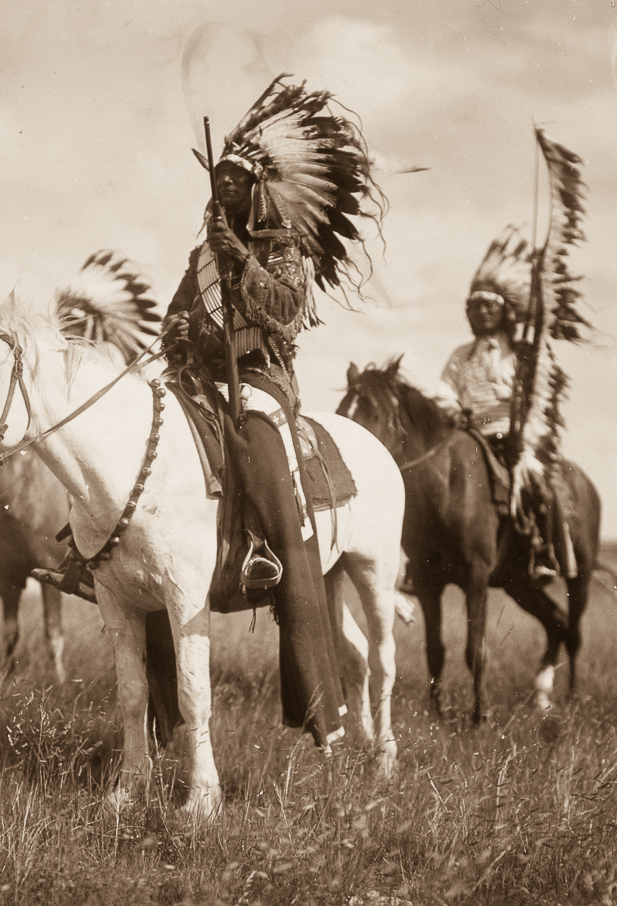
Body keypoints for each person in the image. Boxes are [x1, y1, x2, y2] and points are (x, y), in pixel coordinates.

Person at [163, 75, 386, 749]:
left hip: (261, 381)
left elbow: (287, 314)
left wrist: (245, 266)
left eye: (234, 181)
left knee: (259, 448)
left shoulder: (279, 245)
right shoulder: (202, 253)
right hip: (201, 382)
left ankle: (272, 554)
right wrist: (176, 349)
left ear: (256, 188)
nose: (222, 189)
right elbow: (176, 316)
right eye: (218, 181)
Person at [432, 226, 561, 583]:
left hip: (514, 436)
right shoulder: (460, 356)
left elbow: (539, 396)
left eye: (488, 306)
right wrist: (454, 412)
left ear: (503, 311)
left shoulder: (521, 354)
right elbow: (444, 391)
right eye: (474, 306)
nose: (480, 312)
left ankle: (542, 550)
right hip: (470, 434)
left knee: (533, 482)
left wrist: (524, 430)